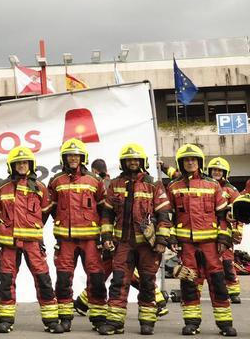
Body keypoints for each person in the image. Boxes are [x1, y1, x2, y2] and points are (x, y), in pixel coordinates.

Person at [97, 143, 171, 336]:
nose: (132, 162)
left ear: (142, 162)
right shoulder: (115, 184)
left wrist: (162, 240)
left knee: (147, 282)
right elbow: (107, 213)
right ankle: (115, 322)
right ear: (123, 162)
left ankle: (147, 322)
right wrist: (106, 236)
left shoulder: (154, 184)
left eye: (136, 159)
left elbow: (163, 214)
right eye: (129, 159)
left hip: (148, 246)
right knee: (119, 282)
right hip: (123, 243)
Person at [165, 144, 236, 336]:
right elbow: (167, 216)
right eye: (187, 159)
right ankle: (192, 323)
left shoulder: (212, 185)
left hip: (211, 245)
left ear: (199, 162)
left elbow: (223, 215)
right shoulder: (173, 186)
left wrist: (223, 237)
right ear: (181, 162)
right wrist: (171, 236)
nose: (190, 162)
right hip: (185, 245)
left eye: (193, 159)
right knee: (189, 284)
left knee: (218, 282)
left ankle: (225, 324)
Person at [0, 146, 61, 334]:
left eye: (24, 162)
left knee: (43, 279)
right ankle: (6, 320)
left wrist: (34, 228)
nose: (21, 165)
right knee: (6, 281)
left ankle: (51, 320)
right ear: (12, 166)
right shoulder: (2, 187)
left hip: (32, 242)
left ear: (30, 164)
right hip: (9, 243)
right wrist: (6, 227)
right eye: (18, 163)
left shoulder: (39, 187)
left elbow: (46, 212)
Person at [47, 139, 106, 332]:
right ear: (64, 158)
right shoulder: (56, 181)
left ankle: (98, 318)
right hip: (65, 240)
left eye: (76, 155)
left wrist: (106, 236)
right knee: (63, 280)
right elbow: (51, 209)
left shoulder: (95, 181)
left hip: (90, 240)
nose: (73, 158)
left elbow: (105, 210)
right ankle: (65, 317)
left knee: (96, 279)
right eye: (70, 155)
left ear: (82, 158)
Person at [208, 157, 243, 304]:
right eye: (214, 170)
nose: (216, 172)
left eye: (219, 170)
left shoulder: (231, 190)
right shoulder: (205, 185)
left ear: (225, 172)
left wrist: (238, 231)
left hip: (225, 230)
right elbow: (179, 176)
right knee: (211, 262)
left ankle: (234, 291)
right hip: (208, 230)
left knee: (227, 262)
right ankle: (218, 290)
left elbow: (241, 211)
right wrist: (164, 167)